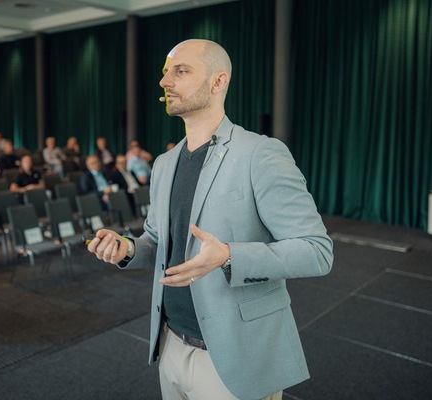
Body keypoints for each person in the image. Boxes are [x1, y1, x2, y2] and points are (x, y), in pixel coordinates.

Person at [86, 39, 333, 400]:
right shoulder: (164, 164)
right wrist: (125, 248)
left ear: (218, 82)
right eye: (166, 73)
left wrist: (230, 256)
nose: (165, 82)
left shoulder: (260, 154)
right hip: (170, 343)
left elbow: (317, 251)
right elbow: (155, 243)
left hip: (237, 354)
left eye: (180, 71)